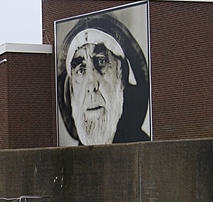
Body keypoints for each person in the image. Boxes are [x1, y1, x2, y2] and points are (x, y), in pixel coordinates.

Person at [57, 13, 150, 145]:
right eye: (80, 70)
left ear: (122, 78)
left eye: (101, 61)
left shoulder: (146, 151)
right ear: (72, 93)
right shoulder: (67, 162)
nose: (91, 85)